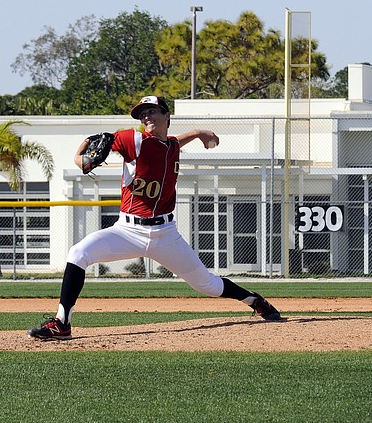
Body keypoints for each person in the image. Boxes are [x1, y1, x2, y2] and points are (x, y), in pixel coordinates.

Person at [29, 96, 281, 339]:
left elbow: (172, 141)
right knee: (78, 253)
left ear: (166, 116)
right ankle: (62, 323)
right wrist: (81, 152)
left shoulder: (171, 146)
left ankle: (254, 300)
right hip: (127, 231)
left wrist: (197, 133)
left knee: (209, 286)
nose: (146, 117)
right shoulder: (134, 140)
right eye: (142, 114)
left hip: (165, 234)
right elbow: (98, 150)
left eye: (151, 111)